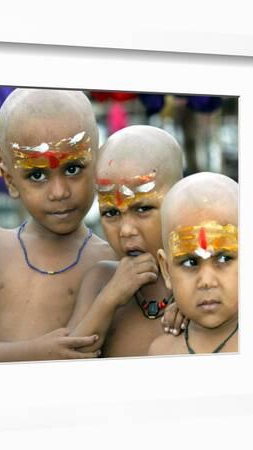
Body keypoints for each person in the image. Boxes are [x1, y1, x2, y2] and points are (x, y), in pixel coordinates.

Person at [0, 88, 117, 363]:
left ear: (98, 161)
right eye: (37, 174)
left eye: (73, 168)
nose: (59, 192)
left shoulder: (109, 260)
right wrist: (41, 352)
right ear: (7, 175)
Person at [67, 125, 184, 357]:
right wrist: (109, 299)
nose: (126, 230)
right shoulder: (100, 281)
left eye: (142, 208)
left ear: (178, 201)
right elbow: (66, 363)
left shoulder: (201, 278)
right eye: (111, 213)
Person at [148, 172, 238, 355]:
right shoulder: (161, 352)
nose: (206, 281)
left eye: (223, 258)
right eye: (190, 262)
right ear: (166, 270)